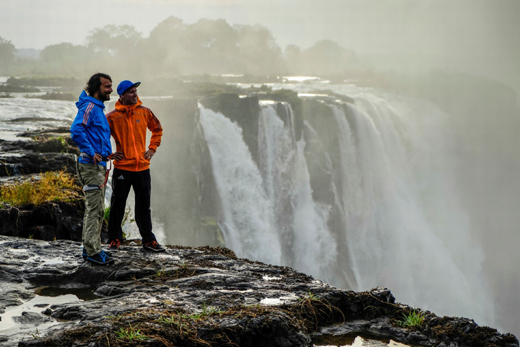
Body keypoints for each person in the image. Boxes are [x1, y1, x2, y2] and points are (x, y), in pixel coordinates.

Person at [106, 80, 165, 252]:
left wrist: (152, 148)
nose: (135, 94)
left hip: (142, 168)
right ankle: (115, 239)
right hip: (122, 168)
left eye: (136, 91)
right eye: (131, 91)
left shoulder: (145, 112)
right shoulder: (111, 117)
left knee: (144, 205)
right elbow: (99, 137)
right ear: (122, 95)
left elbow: (157, 129)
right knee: (118, 204)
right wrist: (109, 154)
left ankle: (148, 240)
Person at [70, 73, 115, 265]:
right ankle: (91, 252)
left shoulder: (98, 108)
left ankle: (93, 248)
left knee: (97, 211)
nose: (111, 90)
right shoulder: (90, 106)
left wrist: (107, 155)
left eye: (111, 86)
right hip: (90, 166)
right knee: (94, 209)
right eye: (107, 86)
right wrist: (91, 151)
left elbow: (95, 135)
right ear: (97, 88)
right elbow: (76, 129)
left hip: (99, 166)